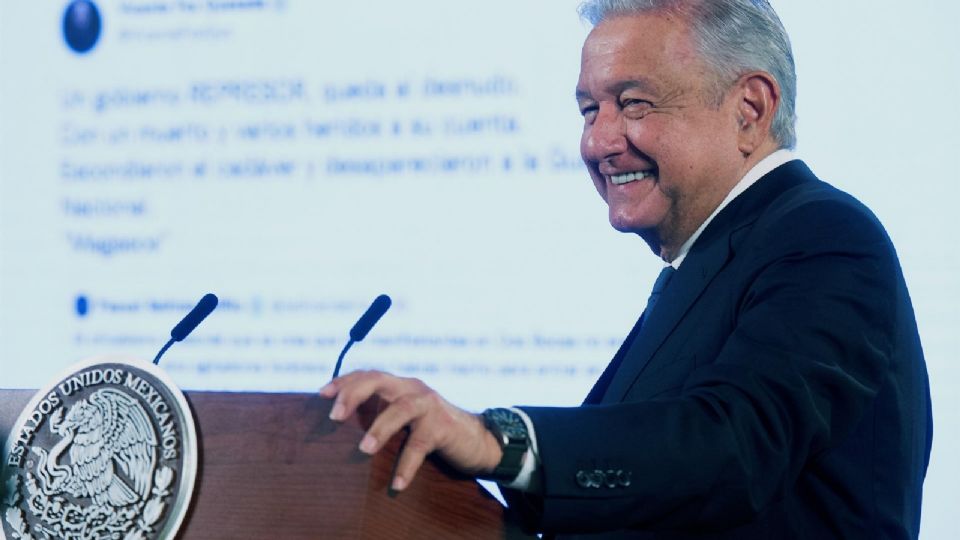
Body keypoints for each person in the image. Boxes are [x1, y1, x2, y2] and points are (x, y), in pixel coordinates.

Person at [320, 0, 933, 537]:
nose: (598, 142)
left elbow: (732, 444)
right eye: (590, 110)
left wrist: (495, 441)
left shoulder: (823, 235)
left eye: (634, 104)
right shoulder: (712, 258)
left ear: (750, 109)